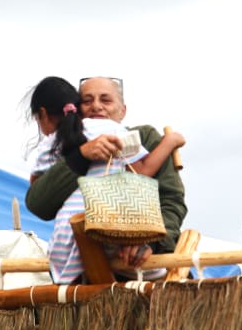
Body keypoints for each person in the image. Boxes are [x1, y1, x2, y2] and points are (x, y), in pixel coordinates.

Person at [28, 76, 184, 282]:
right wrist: (80, 155)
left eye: (106, 100)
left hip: (135, 262)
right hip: (81, 253)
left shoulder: (144, 137)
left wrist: (150, 241)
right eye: (87, 101)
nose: (96, 107)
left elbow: (171, 200)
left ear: (123, 110)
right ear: (75, 109)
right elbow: (38, 202)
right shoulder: (67, 144)